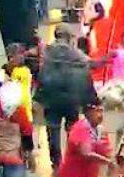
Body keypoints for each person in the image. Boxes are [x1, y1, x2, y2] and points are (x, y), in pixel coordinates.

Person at [38, 24, 94, 168]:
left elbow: (41, 74)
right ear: (69, 37)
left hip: (51, 100)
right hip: (71, 100)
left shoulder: (47, 52)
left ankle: (56, 162)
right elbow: (87, 70)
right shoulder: (76, 54)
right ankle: (72, 160)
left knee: (53, 130)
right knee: (72, 130)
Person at [54, 100, 114, 177]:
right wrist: (108, 162)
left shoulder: (100, 130)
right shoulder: (81, 128)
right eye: (97, 111)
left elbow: (107, 151)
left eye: (101, 111)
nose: (100, 115)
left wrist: (111, 162)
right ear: (88, 112)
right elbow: (86, 153)